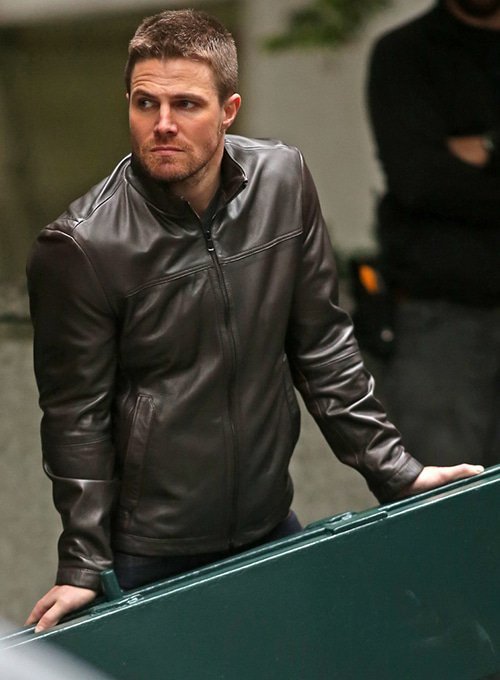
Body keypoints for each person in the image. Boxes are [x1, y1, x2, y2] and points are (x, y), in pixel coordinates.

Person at [25, 8, 481, 634]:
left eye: (186, 104)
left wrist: (396, 471)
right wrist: (83, 565)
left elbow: (322, 346)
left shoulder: (282, 182)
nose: (162, 124)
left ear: (229, 110)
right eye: (145, 103)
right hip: (150, 550)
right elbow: (75, 416)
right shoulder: (80, 247)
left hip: (269, 523)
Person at [366, 0, 500, 468]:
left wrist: (485, 146)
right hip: (439, 316)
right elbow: (419, 182)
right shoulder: (405, 53)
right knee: (446, 494)